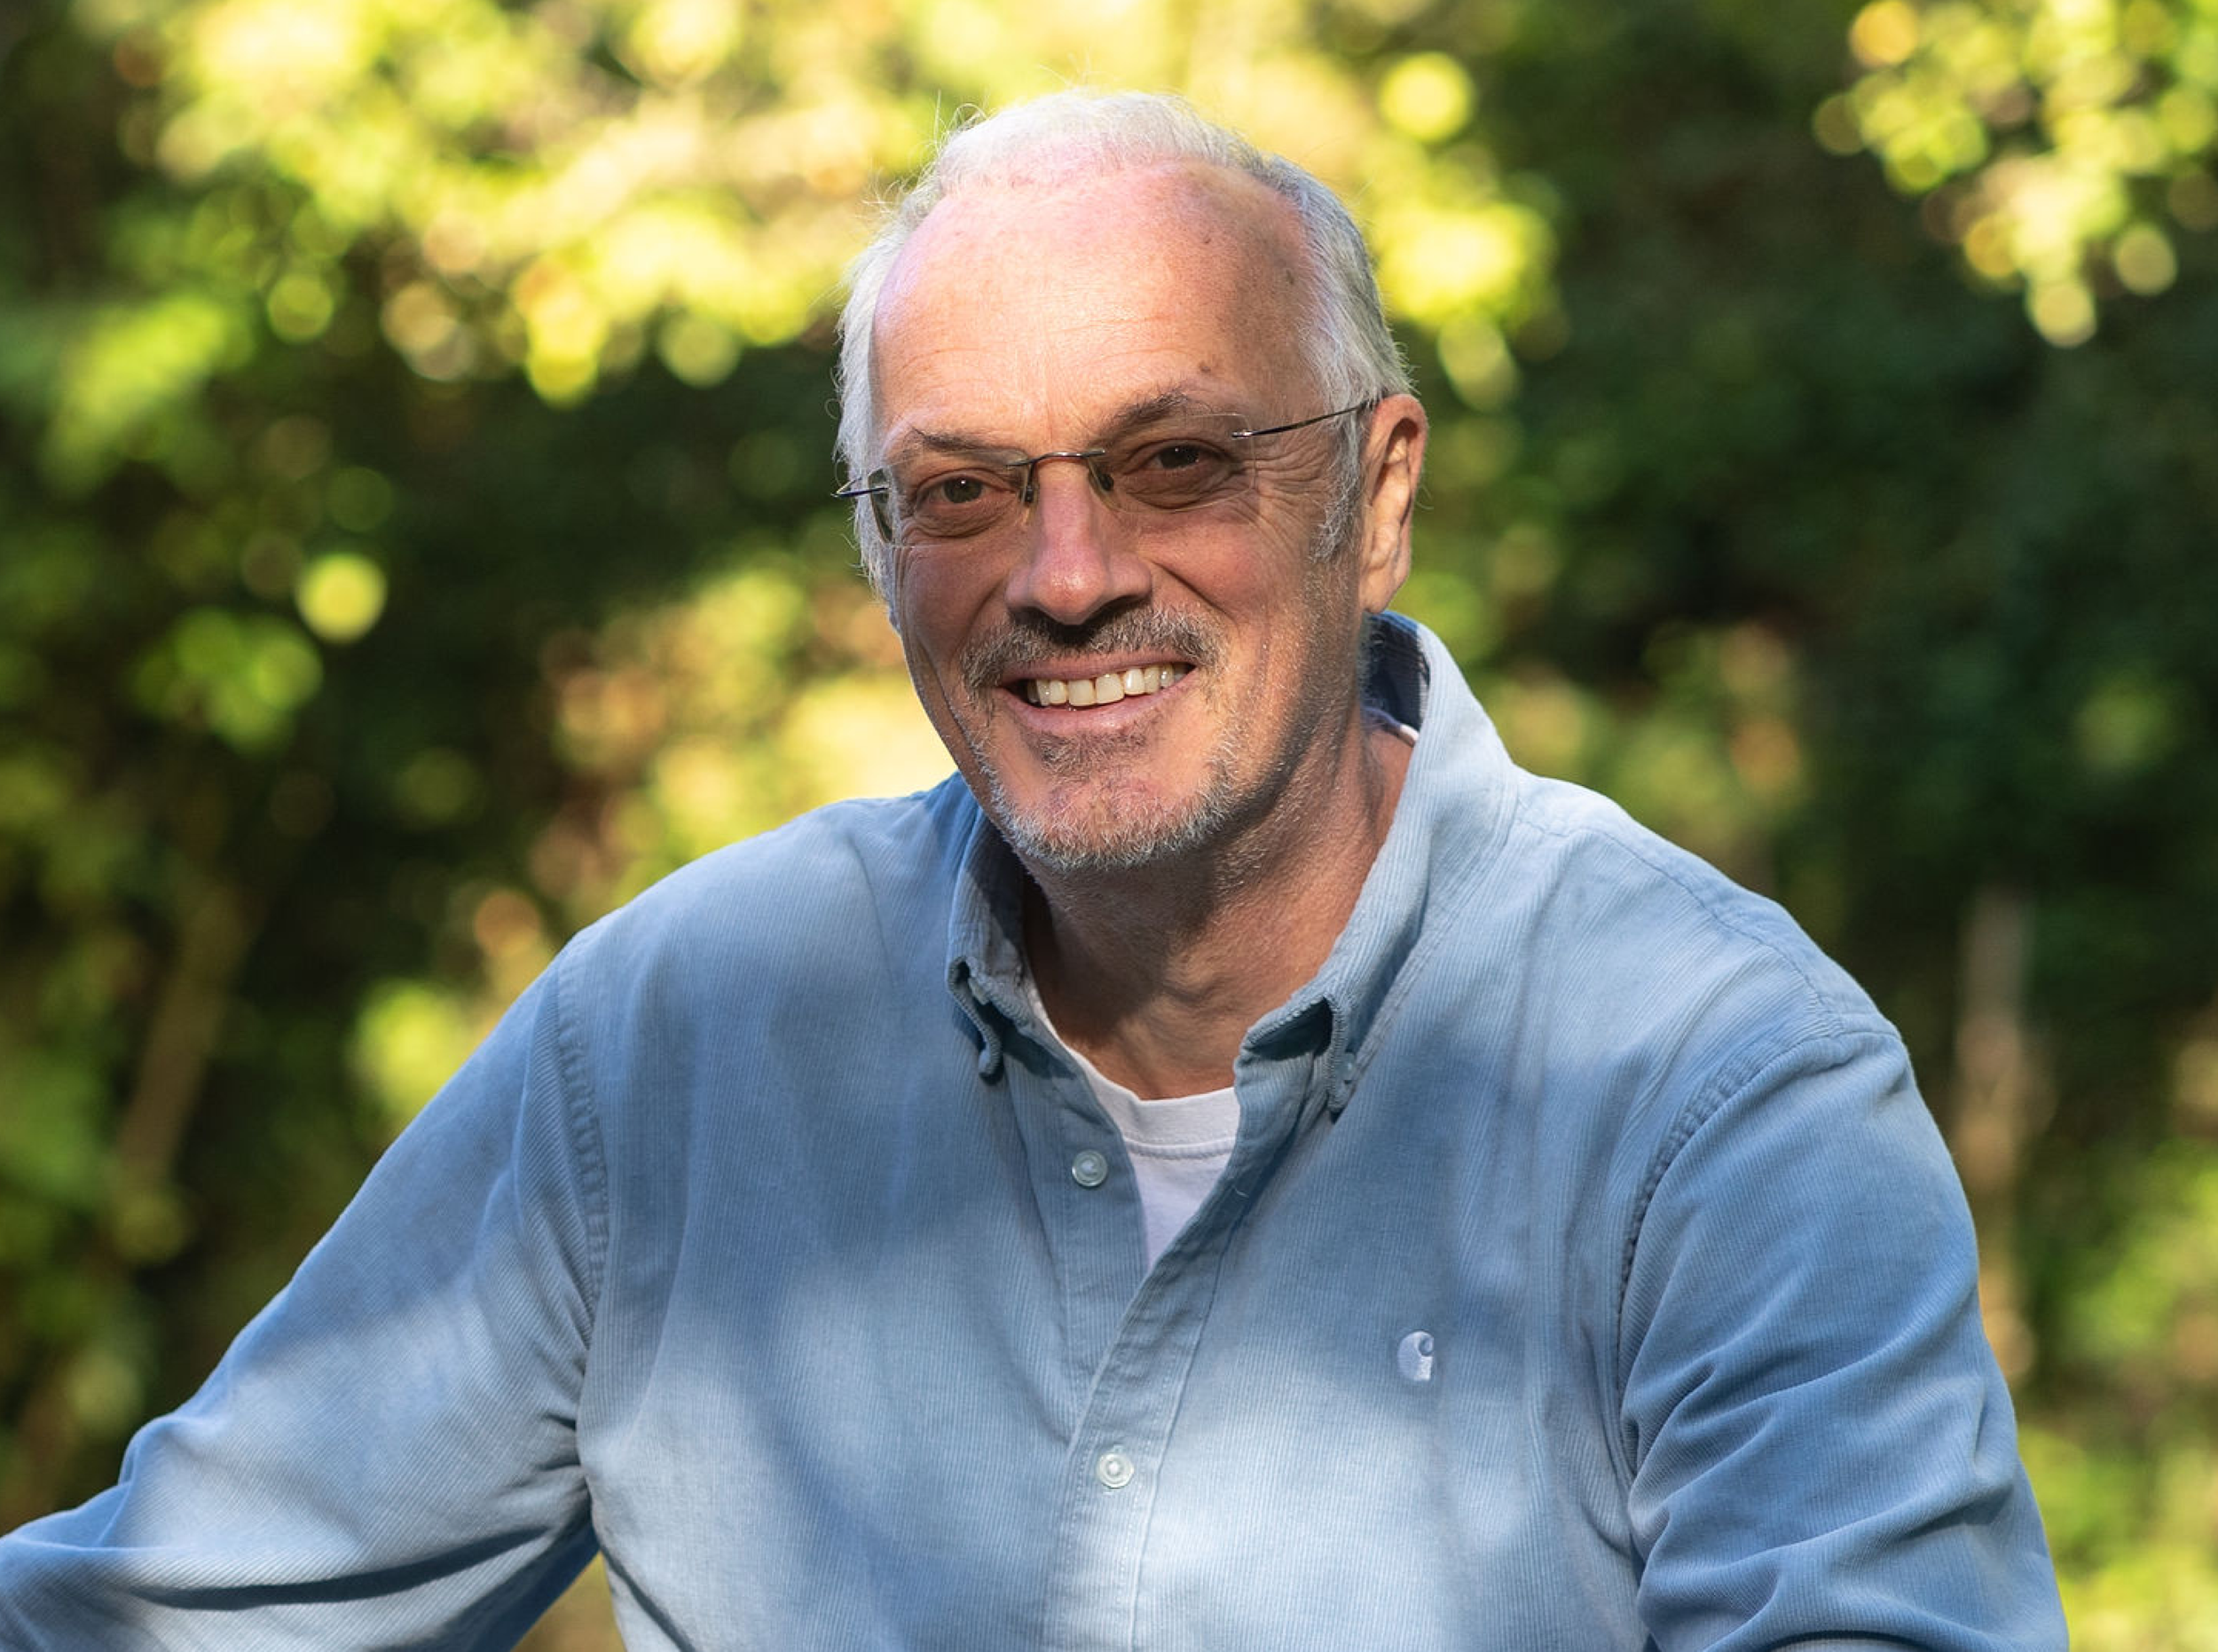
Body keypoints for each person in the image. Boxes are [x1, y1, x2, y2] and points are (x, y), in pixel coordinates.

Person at [0, 90, 2064, 1649]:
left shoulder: (1714, 1092)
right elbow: (165, 1607)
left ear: (1379, 489)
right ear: (877, 550)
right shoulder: (681, 1043)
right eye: (963, 492)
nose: (1067, 577)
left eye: (1175, 461)